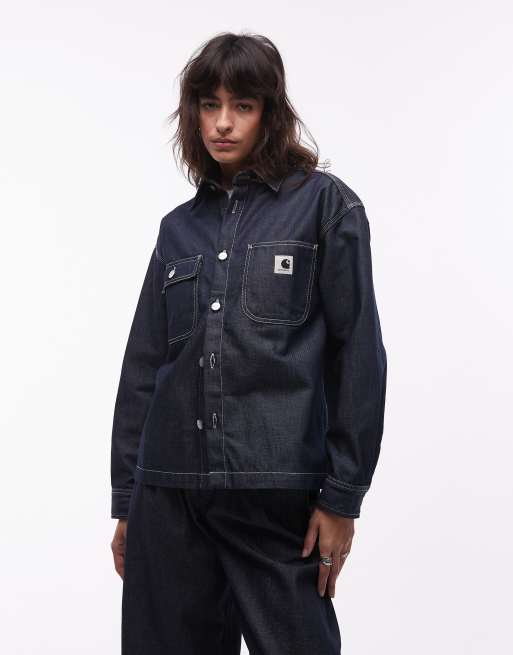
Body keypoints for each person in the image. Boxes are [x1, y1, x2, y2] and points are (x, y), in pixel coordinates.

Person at [110, 31, 387, 655]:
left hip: (276, 496)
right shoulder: (177, 230)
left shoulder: (325, 207)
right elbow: (145, 367)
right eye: (209, 105)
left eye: (243, 105)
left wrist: (343, 497)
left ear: (271, 112)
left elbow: (358, 355)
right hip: (169, 497)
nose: (223, 123)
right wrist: (128, 500)